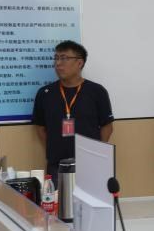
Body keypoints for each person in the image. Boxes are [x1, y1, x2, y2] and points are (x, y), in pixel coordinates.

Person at [32, 40, 114, 181]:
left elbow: (107, 127)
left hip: (90, 163)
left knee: (90, 195)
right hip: (57, 165)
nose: (58, 63)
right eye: (56, 58)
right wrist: (54, 150)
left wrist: (95, 152)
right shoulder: (45, 93)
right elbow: (40, 128)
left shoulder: (97, 91)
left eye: (64, 58)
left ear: (79, 63)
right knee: (58, 195)